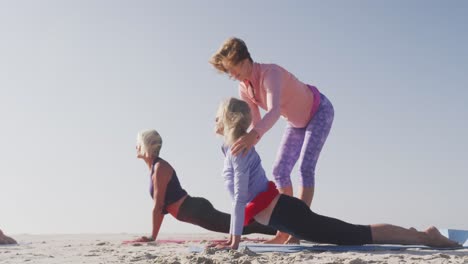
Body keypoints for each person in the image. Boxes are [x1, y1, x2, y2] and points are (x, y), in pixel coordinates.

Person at [211, 97, 460, 250]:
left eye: (217, 116)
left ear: (228, 120)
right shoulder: (232, 149)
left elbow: (240, 199)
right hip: (285, 215)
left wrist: (234, 240)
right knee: (356, 233)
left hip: (288, 216)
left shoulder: (238, 152)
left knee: (359, 234)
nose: (214, 120)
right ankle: (421, 234)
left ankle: (425, 236)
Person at [210, 37, 334, 243]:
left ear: (243, 60)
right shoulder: (244, 87)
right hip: (296, 123)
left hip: (319, 111)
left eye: (232, 68)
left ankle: (298, 231)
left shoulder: (270, 74)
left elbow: (274, 111)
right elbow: (256, 122)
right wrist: (243, 150)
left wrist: (252, 136)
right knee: (280, 170)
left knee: (304, 168)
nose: (231, 74)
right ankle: (283, 231)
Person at [128, 129, 276, 243]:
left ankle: (282, 229)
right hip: (194, 211)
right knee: (240, 225)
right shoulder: (155, 168)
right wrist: (153, 236)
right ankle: (280, 228)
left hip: (196, 210)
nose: (135, 146)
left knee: (243, 226)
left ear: (145, 145)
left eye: (138, 143)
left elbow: (158, 206)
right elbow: (160, 207)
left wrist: (152, 237)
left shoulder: (160, 167)